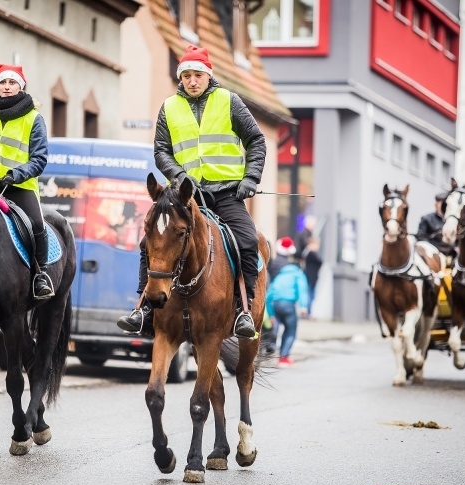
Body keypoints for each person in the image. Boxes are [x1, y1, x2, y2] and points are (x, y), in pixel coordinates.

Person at [116, 45, 266, 339]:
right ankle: (144, 309)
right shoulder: (169, 107)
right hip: (186, 195)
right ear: (180, 78)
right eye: (187, 75)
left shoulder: (230, 101)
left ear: (208, 76)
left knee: (247, 241)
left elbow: (256, 141)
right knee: (150, 241)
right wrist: (179, 176)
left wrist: (250, 178)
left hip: (226, 194)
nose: (192, 80)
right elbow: (161, 150)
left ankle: (243, 312)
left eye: (198, 74)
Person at [0, 63, 54, 299]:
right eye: (3, 82)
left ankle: (41, 275)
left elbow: (39, 159)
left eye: (12, 82)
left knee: (37, 224)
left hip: (18, 187)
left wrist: (15, 175)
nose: (7, 87)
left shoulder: (34, 119)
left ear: (21, 86)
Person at [265, 237, 309, 367]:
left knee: (275, 327)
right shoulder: (297, 273)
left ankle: (270, 347)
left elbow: (269, 295)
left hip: (275, 304)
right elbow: (303, 290)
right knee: (290, 330)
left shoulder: (278, 274)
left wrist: (271, 314)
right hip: (288, 305)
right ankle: (283, 358)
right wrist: (303, 306)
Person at [416, 191, 455, 258]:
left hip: (451, 254)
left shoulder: (453, 220)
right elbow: (421, 237)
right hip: (433, 254)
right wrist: (436, 248)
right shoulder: (427, 219)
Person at [302, 236, 323, 317]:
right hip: (310, 278)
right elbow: (320, 262)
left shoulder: (311, 254)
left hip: (312, 279)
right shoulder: (311, 254)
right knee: (309, 296)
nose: (317, 247)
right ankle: (307, 312)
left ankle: (308, 312)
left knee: (312, 296)